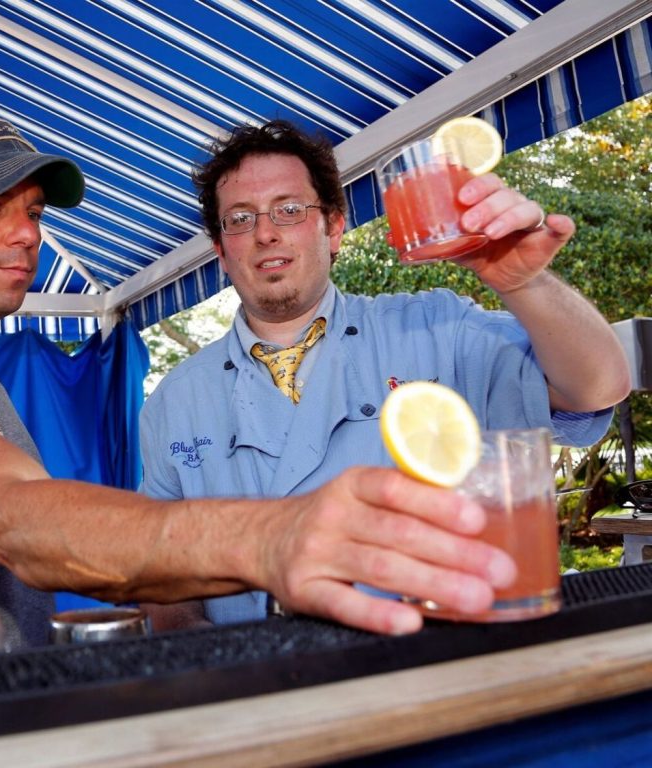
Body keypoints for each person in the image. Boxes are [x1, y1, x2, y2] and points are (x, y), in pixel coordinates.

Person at [0, 113, 541, 649]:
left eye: (35, 211)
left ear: (334, 228)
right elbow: (11, 518)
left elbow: (589, 390)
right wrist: (269, 539)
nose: (25, 233)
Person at [138, 119, 631, 630]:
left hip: (430, 662)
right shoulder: (174, 401)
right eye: (240, 219)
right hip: (257, 681)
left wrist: (524, 284)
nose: (265, 233)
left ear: (333, 228)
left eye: (289, 210)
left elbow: (595, 387)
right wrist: (203, 652)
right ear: (221, 250)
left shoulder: (438, 327)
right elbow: (163, 573)